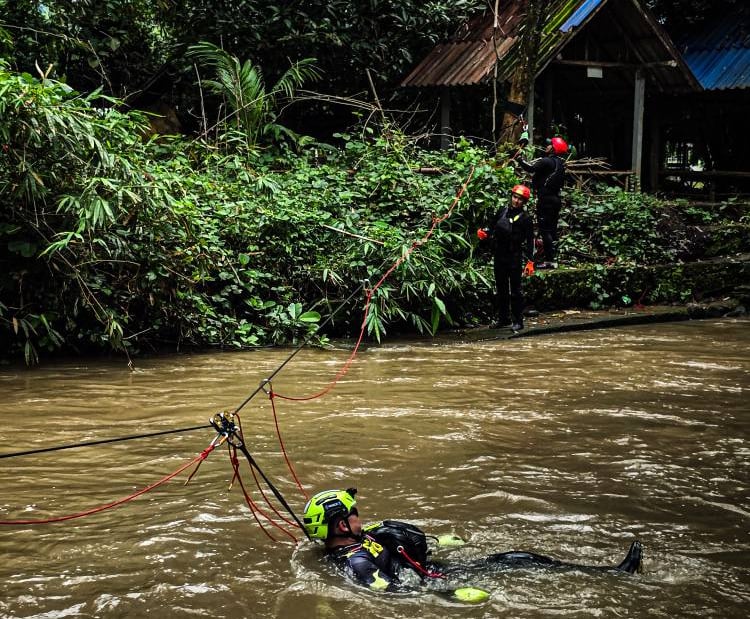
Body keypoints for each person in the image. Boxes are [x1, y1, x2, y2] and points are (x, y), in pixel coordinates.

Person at [302, 488, 642, 601]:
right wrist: (446, 596)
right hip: (438, 580)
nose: (360, 517)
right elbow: (390, 591)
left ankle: (606, 572)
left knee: (517, 557)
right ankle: (614, 575)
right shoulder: (356, 561)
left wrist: (437, 543)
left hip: (435, 568)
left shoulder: (356, 539)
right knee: (519, 560)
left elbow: (392, 538)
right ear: (342, 525)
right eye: (354, 513)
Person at [477, 184, 534, 331]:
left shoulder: (526, 219)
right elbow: (491, 227)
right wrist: (484, 233)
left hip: (514, 256)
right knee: (501, 289)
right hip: (499, 255)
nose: (516, 201)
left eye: (520, 199)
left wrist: (530, 261)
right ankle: (503, 318)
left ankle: (518, 321)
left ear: (524, 202)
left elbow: (530, 241)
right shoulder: (502, 211)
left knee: (515, 291)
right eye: (515, 197)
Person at [517, 136, 568, 269]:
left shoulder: (547, 161)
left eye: (550, 144)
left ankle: (550, 261)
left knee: (545, 230)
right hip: (555, 200)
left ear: (553, 149)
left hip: (546, 200)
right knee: (551, 230)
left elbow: (530, 168)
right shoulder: (560, 164)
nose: (547, 146)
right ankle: (552, 258)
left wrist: (519, 159)